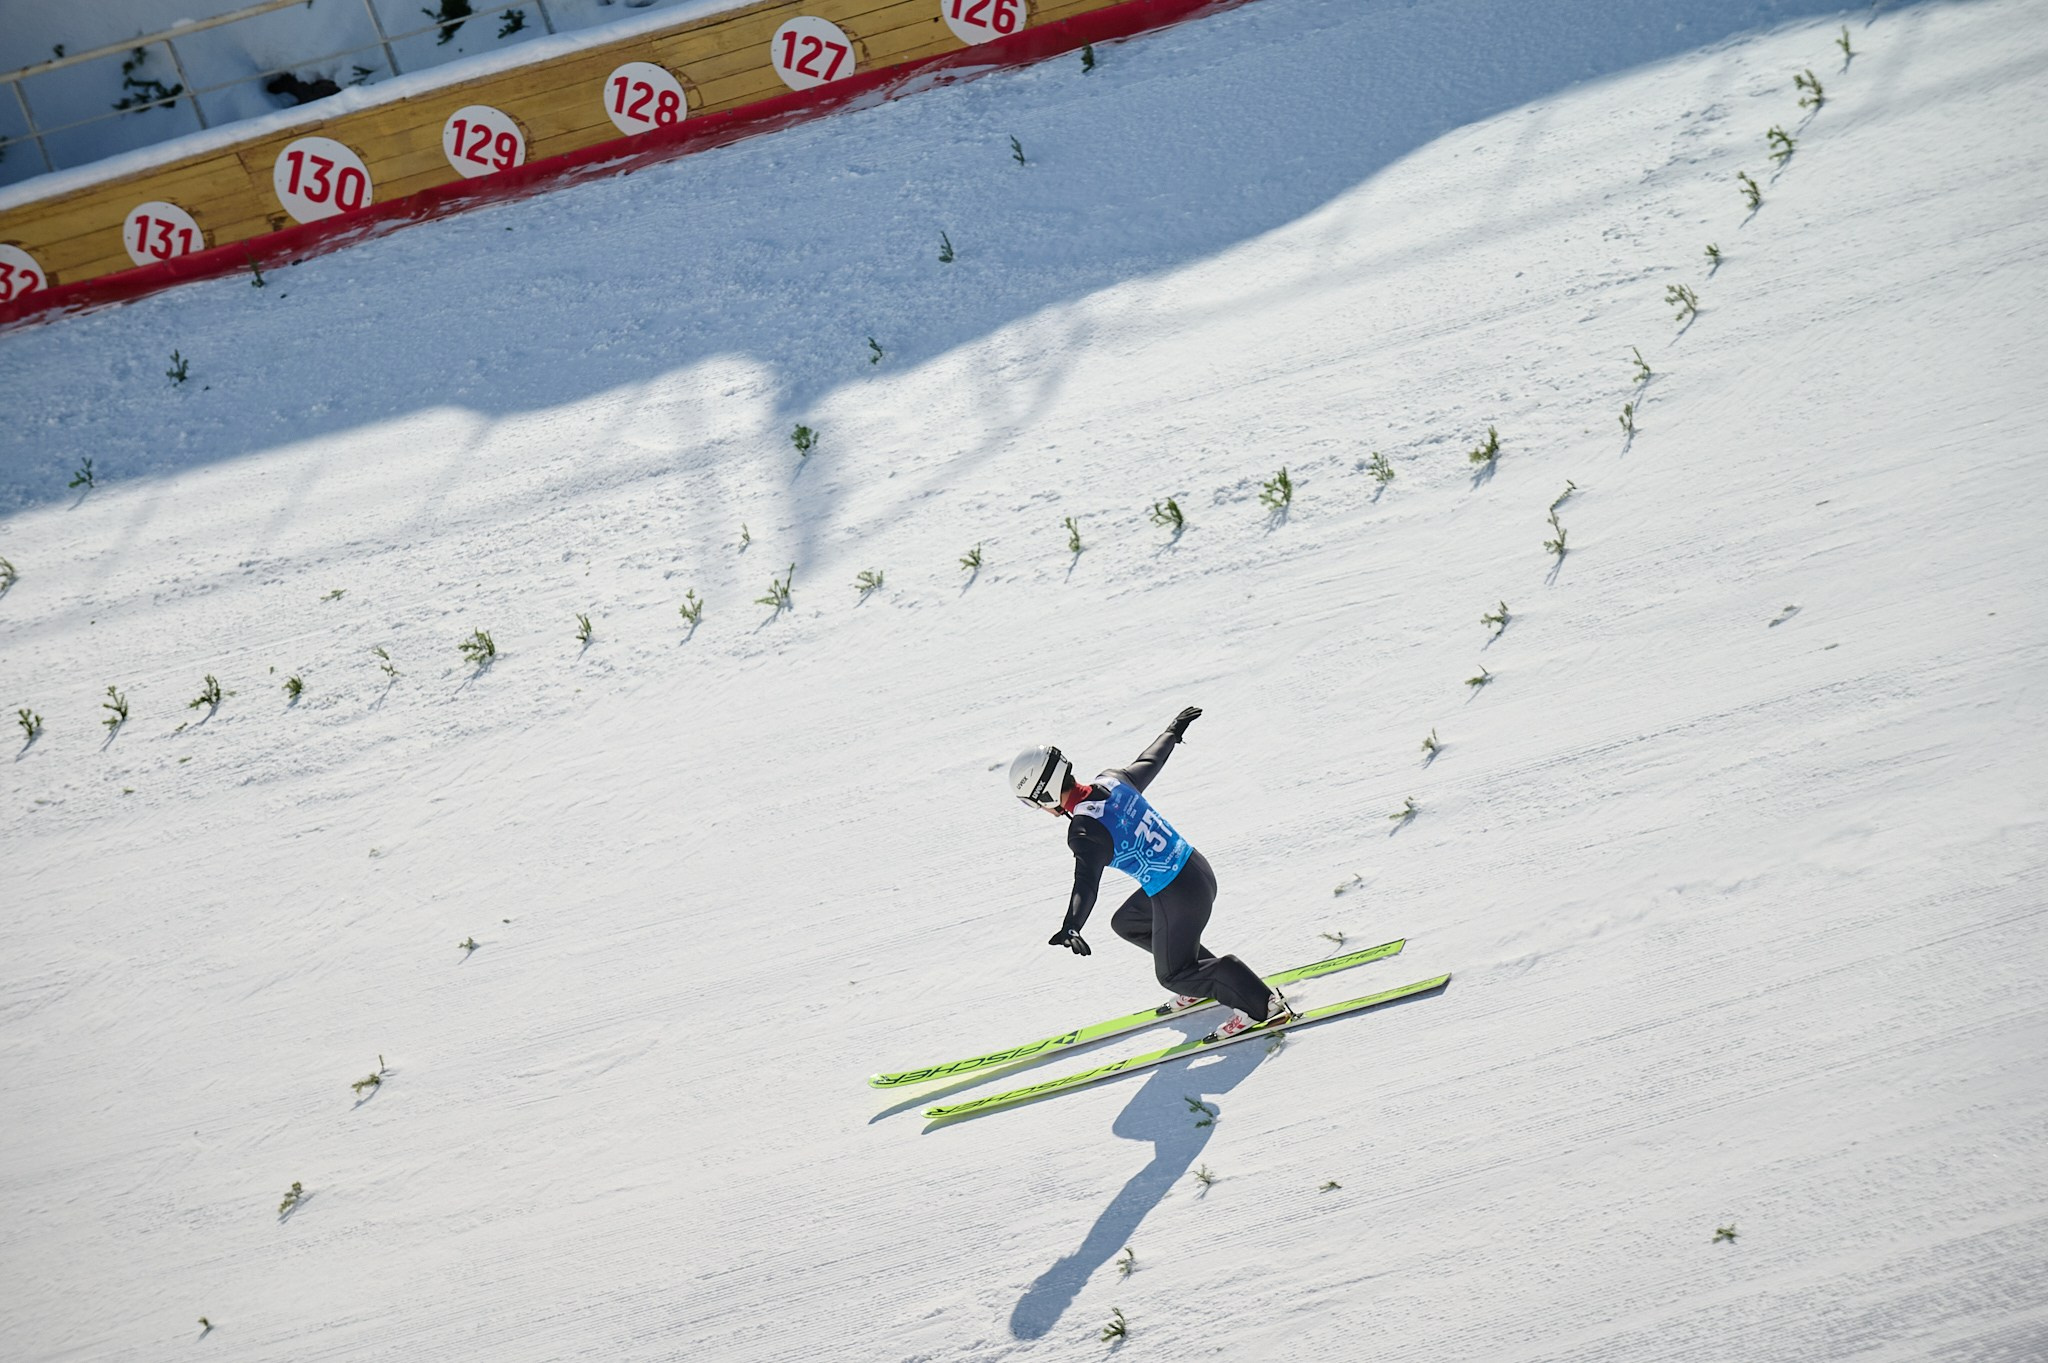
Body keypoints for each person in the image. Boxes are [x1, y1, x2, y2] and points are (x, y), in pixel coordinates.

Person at [1008, 706, 1294, 1042]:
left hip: (1179, 894)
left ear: (1045, 793)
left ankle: (1262, 1005)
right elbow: (1150, 761)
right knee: (1127, 922)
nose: (1038, 809)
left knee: (1174, 974)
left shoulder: (1085, 831)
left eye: (1032, 802)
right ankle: (1206, 980)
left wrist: (1072, 925)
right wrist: (1173, 731)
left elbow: (1086, 883)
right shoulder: (1111, 779)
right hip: (1194, 869)